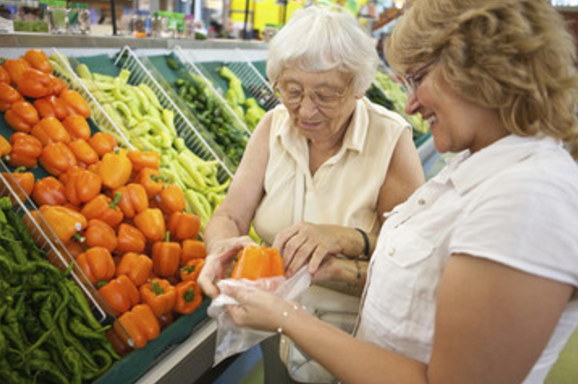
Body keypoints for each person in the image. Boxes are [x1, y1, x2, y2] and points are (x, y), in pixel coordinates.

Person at [222, 1, 578, 383]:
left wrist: (284, 316)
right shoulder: (476, 170)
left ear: (479, 68)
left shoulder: (529, 198)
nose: (410, 103)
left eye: (418, 78)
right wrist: (335, 268)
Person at [197, 5, 425, 383]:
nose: (305, 109)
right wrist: (220, 246)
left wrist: (347, 240)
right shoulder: (272, 126)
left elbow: (412, 264)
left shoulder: (389, 139)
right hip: (274, 331)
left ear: (357, 88)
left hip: (357, 344)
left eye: (325, 94)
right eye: (292, 90)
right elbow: (230, 216)